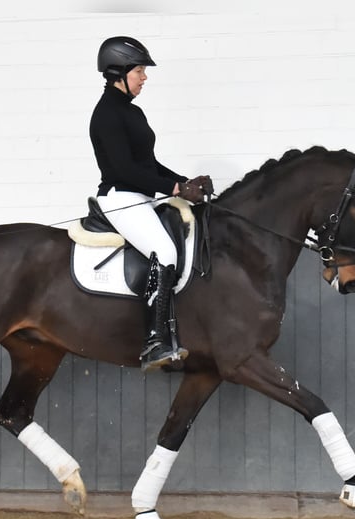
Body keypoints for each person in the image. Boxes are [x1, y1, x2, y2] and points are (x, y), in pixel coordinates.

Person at [90, 36, 213, 371]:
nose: (144, 77)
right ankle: (154, 341)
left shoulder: (132, 112)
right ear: (119, 72)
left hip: (140, 197)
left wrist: (184, 183)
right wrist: (173, 187)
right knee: (166, 252)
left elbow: (148, 165)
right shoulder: (106, 115)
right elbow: (123, 169)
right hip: (120, 198)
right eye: (140, 71)